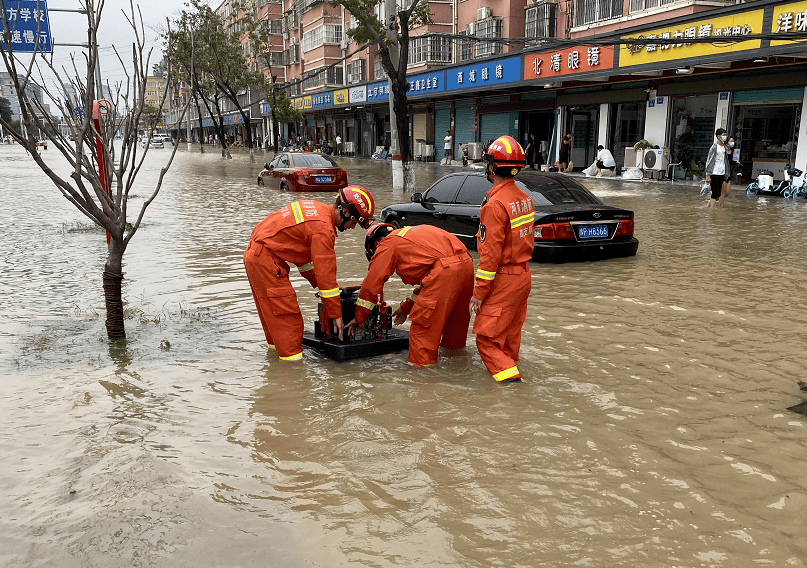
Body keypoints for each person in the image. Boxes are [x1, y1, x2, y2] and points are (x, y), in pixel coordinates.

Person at [243, 186, 376, 361]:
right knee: (288, 319)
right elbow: (325, 275)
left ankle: (275, 360)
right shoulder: (323, 230)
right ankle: (294, 372)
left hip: (256, 256)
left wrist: (333, 293)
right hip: (267, 261)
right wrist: (335, 314)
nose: (353, 227)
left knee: (273, 317)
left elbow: (304, 259)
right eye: (354, 222)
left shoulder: (317, 211)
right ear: (344, 211)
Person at [345, 224, 474, 367]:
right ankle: (457, 368)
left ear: (376, 244)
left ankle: (421, 377)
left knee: (422, 332)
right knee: (455, 330)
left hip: (445, 272)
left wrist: (360, 317)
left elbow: (371, 283)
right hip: (467, 266)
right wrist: (407, 307)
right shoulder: (412, 235)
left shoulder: (387, 244)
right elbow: (434, 276)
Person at [469, 135, 535, 383]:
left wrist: (478, 293)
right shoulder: (524, 199)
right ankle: (510, 383)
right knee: (508, 336)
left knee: (486, 339)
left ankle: (512, 385)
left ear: (493, 167)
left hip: (504, 280)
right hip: (523, 277)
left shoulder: (494, 205)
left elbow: (490, 256)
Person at [705, 128, 730, 208]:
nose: (725, 137)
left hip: (722, 173)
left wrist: (726, 173)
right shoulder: (714, 148)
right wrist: (708, 174)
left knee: (719, 193)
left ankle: (709, 206)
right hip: (715, 172)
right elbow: (709, 161)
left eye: (725, 135)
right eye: (723, 135)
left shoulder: (724, 148)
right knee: (715, 192)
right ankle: (711, 211)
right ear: (718, 136)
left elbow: (725, 161)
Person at [721, 135, 741, 207]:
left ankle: (716, 199)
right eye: (731, 141)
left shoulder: (732, 151)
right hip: (723, 173)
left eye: (733, 141)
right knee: (723, 193)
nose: (733, 143)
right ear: (727, 142)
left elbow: (731, 162)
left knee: (727, 193)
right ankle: (720, 207)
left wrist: (736, 162)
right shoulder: (723, 151)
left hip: (728, 173)